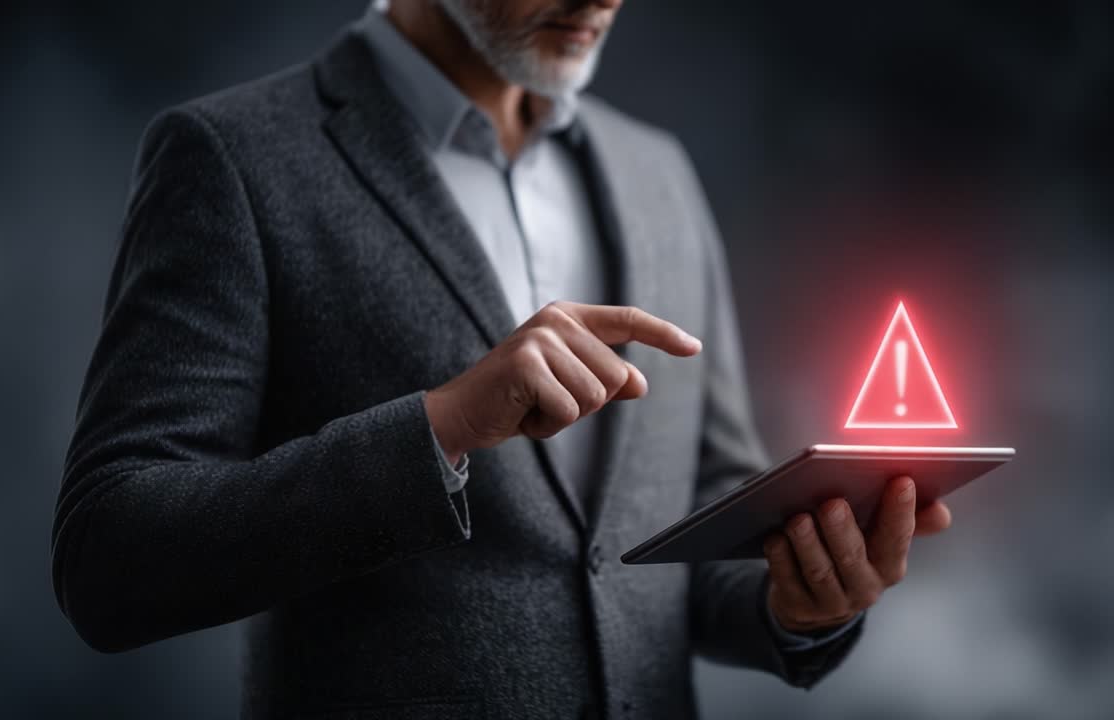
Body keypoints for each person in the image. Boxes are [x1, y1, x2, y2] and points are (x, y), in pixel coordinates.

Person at [51, 0, 953, 717]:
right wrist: (441, 427)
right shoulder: (232, 158)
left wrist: (800, 601)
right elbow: (111, 558)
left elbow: (681, 535)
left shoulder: (658, 172)